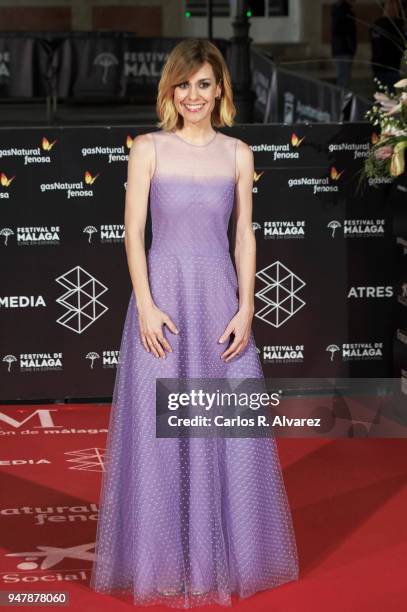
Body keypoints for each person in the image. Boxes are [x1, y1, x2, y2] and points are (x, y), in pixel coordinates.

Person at [89, 38, 299, 607]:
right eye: (183, 85)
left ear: (221, 89)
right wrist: (147, 303)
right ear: (170, 91)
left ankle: (218, 561)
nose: (193, 95)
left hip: (217, 304)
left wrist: (247, 308)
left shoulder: (238, 153)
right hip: (163, 302)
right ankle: (163, 561)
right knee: (160, 438)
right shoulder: (149, 149)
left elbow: (244, 234)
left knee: (224, 431)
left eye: (204, 84)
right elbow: (133, 233)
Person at [370, 0, 407, 91]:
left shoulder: (379, 23)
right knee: (388, 93)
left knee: (387, 92)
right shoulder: (391, 24)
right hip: (385, 66)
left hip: (387, 66)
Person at [331, 0, 358, 88]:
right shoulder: (344, 11)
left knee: (343, 78)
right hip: (344, 49)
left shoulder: (340, 9)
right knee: (343, 79)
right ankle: (341, 101)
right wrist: (351, 47)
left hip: (341, 49)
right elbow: (345, 31)